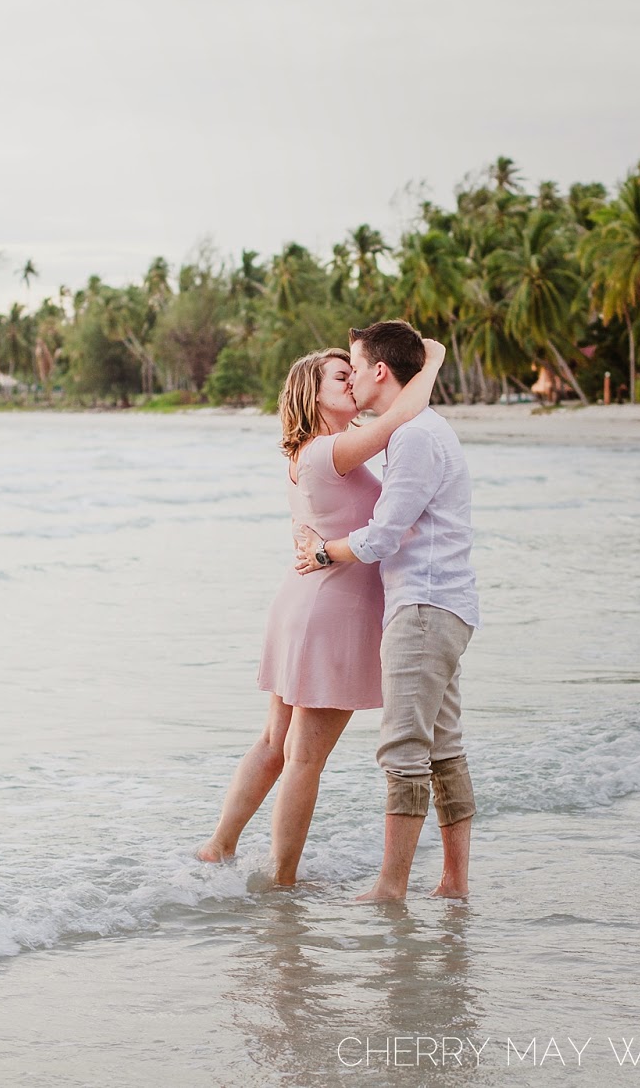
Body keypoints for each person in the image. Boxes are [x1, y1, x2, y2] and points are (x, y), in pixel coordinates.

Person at [197, 338, 445, 884]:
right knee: (304, 754)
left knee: (275, 744)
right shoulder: (326, 452)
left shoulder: (309, 454)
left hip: (305, 600)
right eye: (341, 377)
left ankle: (219, 847)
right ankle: (282, 879)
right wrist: (433, 361)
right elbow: (404, 413)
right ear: (313, 395)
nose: (352, 383)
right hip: (334, 606)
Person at [292, 319, 479, 901]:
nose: (350, 378)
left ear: (379, 371)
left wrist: (323, 552)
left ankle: (391, 886)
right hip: (441, 601)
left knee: (403, 748)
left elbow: (382, 536)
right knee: (443, 745)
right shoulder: (420, 428)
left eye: (354, 365)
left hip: (423, 605)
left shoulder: (415, 436)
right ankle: (451, 883)